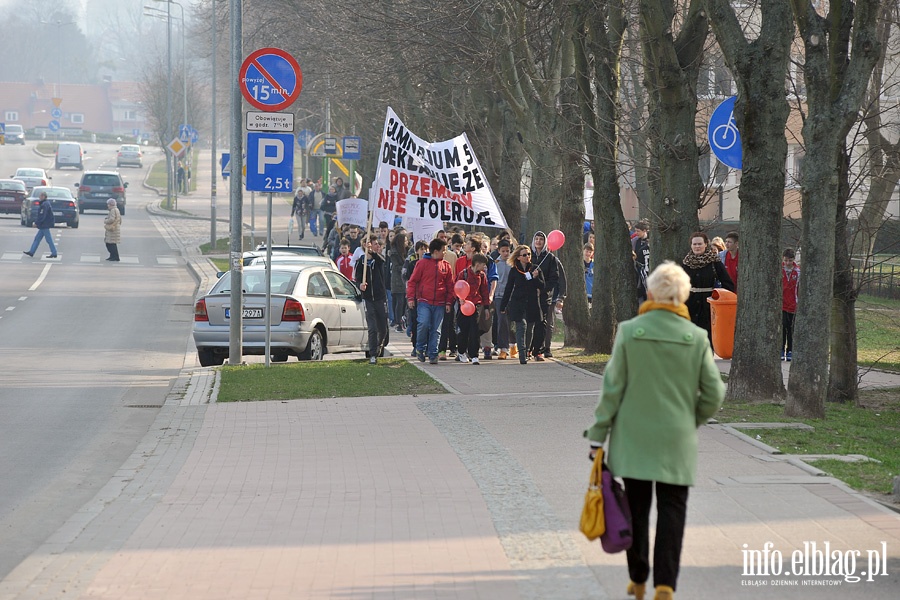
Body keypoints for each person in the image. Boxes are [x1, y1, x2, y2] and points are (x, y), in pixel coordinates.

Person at [584, 261, 725, 600]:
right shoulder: (696, 337)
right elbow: (714, 393)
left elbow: (612, 389)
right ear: (683, 296)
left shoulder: (631, 332)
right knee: (673, 511)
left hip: (633, 440)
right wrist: (692, 420)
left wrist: (598, 434)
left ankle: (638, 579)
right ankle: (666, 583)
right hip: (677, 440)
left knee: (635, 508)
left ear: (650, 293)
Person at [681, 232, 735, 349]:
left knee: (707, 337)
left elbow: (728, 284)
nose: (697, 246)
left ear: (706, 244)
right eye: (694, 244)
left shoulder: (714, 263)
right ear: (691, 246)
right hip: (689, 304)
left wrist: (722, 301)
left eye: (700, 244)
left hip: (708, 305)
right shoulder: (685, 264)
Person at [406, 238, 455, 364]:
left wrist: (449, 302)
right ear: (435, 251)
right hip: (424, 301)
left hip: (440, 303)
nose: (445, 252)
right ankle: (420, 348)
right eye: (443, 250)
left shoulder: (446, 266)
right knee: (423, 323)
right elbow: (412, 281)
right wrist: (411, 298)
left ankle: (433, 354)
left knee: (436, 330)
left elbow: (450, 285)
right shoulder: (422, 264)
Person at [499, 244, 546, 364]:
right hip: (518, 303)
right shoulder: (514, 271)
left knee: (530, 329)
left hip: (532, 303)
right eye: (524, 255)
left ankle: (526, 352)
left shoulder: (535, 269)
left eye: (529, 254)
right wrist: (503, 305)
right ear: (518, 257)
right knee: (521, 327)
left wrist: (536, 278)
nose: (527, 257)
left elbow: (543, 286)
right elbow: (509, 288)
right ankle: (522, 354)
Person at [355, 235, 388, 365]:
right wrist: (360, 286)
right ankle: (373, 354)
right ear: (365, 245)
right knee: (372, 327)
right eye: (373, 244)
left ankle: (380, 344)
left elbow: (381, 261)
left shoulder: (378, 260)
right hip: (368, 299)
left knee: (383, 328)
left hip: (380, 298)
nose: (376, 246)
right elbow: (357, 279)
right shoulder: (360, 262)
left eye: (376, 244)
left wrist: (372, 253)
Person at [530, 231, 562, 359]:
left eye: (541, 239)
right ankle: (527, 348)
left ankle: (538, 349)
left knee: (541, 323)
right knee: (528, 323)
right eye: (536, 239)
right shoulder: (528, 255)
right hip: (529, 295)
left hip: (543, 296)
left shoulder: (551, 258)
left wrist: (543, 289)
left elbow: (554, 278)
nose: (538, 241)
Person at [454, 253, 490, 364]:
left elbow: (484, 291)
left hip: (476, 306)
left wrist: (486, 307)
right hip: (464, 305)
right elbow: (457, 287)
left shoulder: (482, 276)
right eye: (483, 265)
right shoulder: (463, 274)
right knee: (463, 330)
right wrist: (459, 299)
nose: (484, 267)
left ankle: (474, 355)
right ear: (477, 264)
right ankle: (461, 351)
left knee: (474, 331)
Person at [493, 240, 514, 359]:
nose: (506, 253)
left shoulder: (513, 263)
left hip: (512, 296)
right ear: (499, 251)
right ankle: (503, 348)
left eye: (508, 251)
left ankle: (513, 344)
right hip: (499, 296)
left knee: (513, 321)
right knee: (502, 321)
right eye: (503, 251)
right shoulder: (495, 263)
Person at [23, 191, 57, 258]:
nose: (39, 197)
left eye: (41, 196)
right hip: (43, 225)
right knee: (37, 239)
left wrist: (36, 223)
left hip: (44, 225)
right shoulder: (45, 203)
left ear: (44, 197)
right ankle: (31, 252)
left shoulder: (44, 204)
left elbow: (42, 215)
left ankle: (54, 252)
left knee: (48, 239)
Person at [781, 248, 800, 361]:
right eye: (786, 260)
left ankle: (790, 350)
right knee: (783, 328)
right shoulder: (780, 270)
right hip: (782, 305)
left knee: (791, 329)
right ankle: (781, 348)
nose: (788, 263)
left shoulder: (798, 271)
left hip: (793, 305)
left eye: (790, 260)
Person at [389, 232, 410, 331]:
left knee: (404, 302)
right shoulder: (394, 253)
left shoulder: (407, 251)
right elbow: (397, 267)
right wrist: (406, 267)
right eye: (405, 241)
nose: (407, 242)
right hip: (397, 280)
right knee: (399, 302)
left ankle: (403, 320)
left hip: (405, 280)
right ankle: (398, 322)